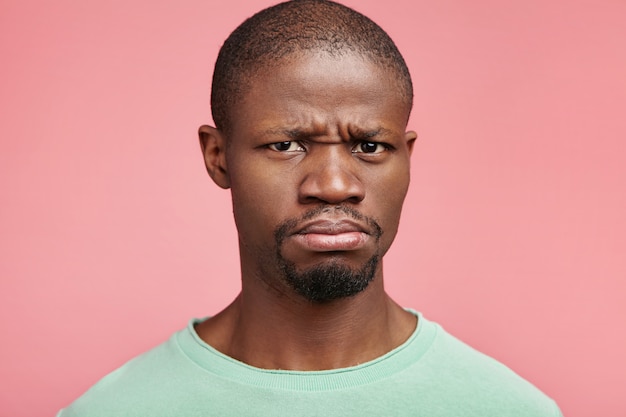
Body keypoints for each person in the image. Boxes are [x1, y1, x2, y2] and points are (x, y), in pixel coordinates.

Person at [58, 1, 561, 415]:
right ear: (218, 158)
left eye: (369, 146)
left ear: (407, 158)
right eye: (285, 145)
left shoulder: (508, 408)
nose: (335, 185)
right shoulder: (115, 410)